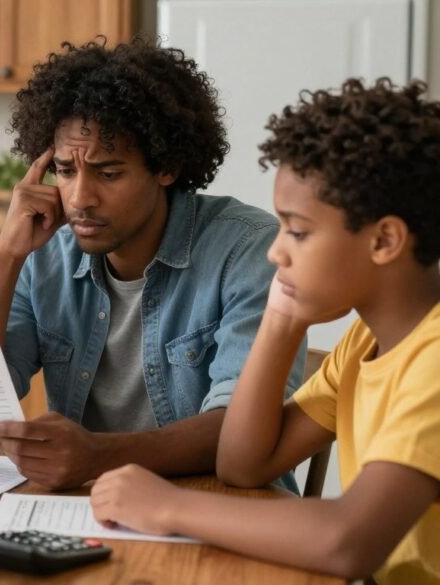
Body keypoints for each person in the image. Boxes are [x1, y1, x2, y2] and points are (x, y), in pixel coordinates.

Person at [90, 78, 440, 584]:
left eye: (297, 231)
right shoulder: (367, 342)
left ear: (384, 239)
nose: (276, 252)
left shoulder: (432, 361)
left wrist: (169, 507)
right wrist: (281, 318)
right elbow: (244, 465)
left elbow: (349, 540)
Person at [0, 38, 304, 490]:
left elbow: (239, 427)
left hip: (222, 509)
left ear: (167, 167)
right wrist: (4, 257)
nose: (79, 198)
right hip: (87, 508)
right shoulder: (42, 257)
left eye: (108, 173)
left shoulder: (248, 249)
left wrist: (98, 456)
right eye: (64, 170)